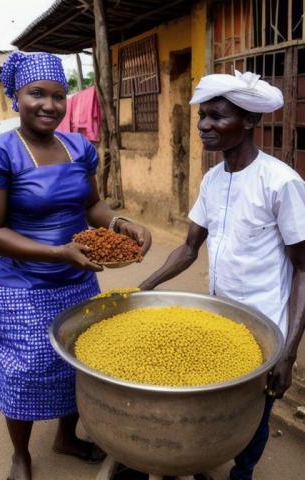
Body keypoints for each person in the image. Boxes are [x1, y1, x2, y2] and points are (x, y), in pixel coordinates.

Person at [0, 51, 151, 480]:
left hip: (77, 278)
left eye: (58, 95)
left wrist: (122, 224)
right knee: (26, 370)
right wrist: (57, 252)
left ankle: (65, 438)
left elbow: (92, 204)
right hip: (22, 284)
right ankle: (20, 455)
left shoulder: (78, 147)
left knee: (75, 362)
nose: (49, 104)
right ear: (15, 98)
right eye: (36, 94)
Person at [139, 70, 305, 480]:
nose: (204, 127)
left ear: (248, 121)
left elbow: (303, 269)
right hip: (219, 322)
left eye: (216, 117)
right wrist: (144, 287)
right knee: (213, 407)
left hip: (266, 327)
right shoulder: (212, 180)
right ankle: (202, 464)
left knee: (255, 413)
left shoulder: (281, 183)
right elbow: (189, 248)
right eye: (202, 118)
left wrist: (289, 352)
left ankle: (242, 472)